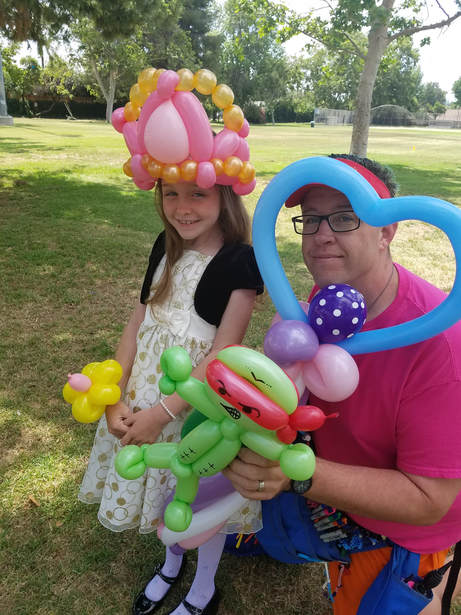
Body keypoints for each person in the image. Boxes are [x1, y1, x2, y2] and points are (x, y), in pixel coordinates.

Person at [223, 154, 461, 615]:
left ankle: (437, 573)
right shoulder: (326, 299)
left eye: (344, 217)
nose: (321, 235)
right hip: (328, 485)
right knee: (261, 532)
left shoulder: (443, 347)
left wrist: (292, 473)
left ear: (386, 230)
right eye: (310, 220)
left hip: (402, 528)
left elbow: (430, 500)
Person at [78, 68, 264, 615]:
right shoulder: (164, 245)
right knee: (159, 490)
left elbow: (224, 357)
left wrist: (163, 413)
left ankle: (203, 585)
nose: (184, 207)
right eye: (171, 193)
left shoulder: (238, 262)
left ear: (224, 193)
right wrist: (116, 394)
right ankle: (170, 563)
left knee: (194, 492)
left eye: (199, 194)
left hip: (195, 407)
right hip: (141, 394)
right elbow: (137, 324)